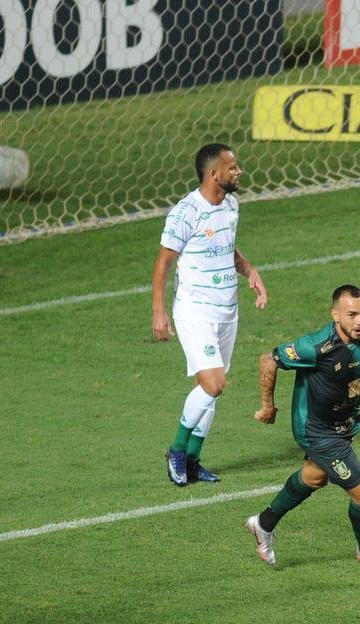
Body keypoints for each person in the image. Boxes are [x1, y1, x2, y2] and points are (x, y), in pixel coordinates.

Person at [245, 285, 360, 580]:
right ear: (336, 315)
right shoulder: (316, 346)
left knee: (314, 477)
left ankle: (263, 523)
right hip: (316, 430)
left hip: (345, 424)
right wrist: (268, 406)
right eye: (352, 315)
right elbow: (269, 359)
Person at [152, 143, 268, 486]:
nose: (239, 172)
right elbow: (163, 263)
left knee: (209, 389)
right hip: (194, 310)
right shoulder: (186, 212)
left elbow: (226, 246)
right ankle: (176, 450)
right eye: (233, 168)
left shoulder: (231, 204)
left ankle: (192, 461)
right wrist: (159, 312)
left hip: (227, 310)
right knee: (214, 384)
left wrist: (251, 272)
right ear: (214, 174)